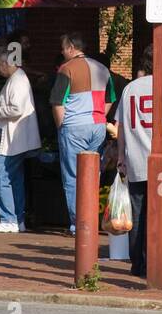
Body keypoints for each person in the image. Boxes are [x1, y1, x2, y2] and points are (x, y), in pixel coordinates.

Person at [113, 47, 162, 278]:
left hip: (136, 159)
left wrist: (120, 157)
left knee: (137, 214)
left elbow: (121, 128)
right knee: (161, 213)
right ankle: (158, 263)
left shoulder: (129, 88)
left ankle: (138, 263)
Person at [49, 32, 116, 233]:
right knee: (92, 174)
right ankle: (91, 219)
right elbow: (110, 98)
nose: (62, 52)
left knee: (72, 176)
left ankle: (78, 223)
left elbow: (57, 102)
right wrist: (99, 117)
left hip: (74, 126)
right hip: (97, 126)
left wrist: (62, 126)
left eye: (63, 48)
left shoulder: (66, 69)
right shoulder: (102, 69)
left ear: (71, 47)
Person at [0, 45, 42, 233]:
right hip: (16, 137)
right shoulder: (17, 79)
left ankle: (9, 218)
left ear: (5, 63)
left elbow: (15, 109)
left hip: (14, 138)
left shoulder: (17, 80)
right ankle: (17, 218)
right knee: (14, 178)